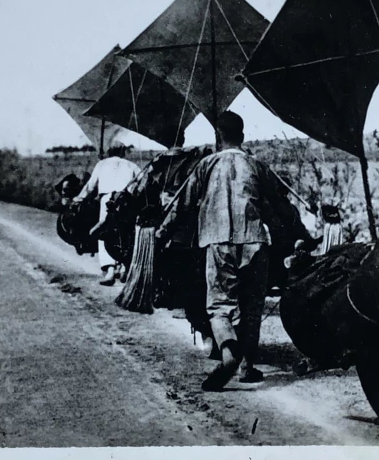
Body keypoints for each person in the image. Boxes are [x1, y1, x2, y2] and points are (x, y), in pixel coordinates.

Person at [159, 111, 284, 391]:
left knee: (219, 305)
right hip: (255, 242)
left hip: (218, 242)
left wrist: (161, 233)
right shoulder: (257, 165)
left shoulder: (206, 165)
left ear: (219, 137)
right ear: (242, 136)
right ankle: (246, 367)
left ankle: (228, 354)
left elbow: (183, 206)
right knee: (252, 307)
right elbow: (279, 205)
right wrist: (301, 234)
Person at [73, 142, 141, 286]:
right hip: (125, 201)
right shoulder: (131, 165)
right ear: (123, 152)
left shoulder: (102, 164)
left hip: (107, 201)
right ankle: (124, 268)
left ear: (109, 151)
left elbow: (90, 186)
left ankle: (109, 271)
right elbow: (141, 182)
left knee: (104, 232)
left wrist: (78, 199)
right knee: (126, 233)